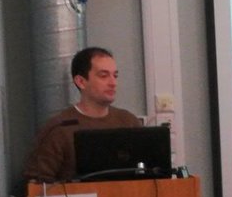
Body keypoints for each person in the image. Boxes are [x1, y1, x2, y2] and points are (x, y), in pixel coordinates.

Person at [23, 46, 143, 183]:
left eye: (115, 75)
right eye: (104, 76)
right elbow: (36, 184)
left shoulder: (128, 121)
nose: (113, 83)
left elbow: (149, 172)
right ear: (81, 81)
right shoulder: (59, 128)